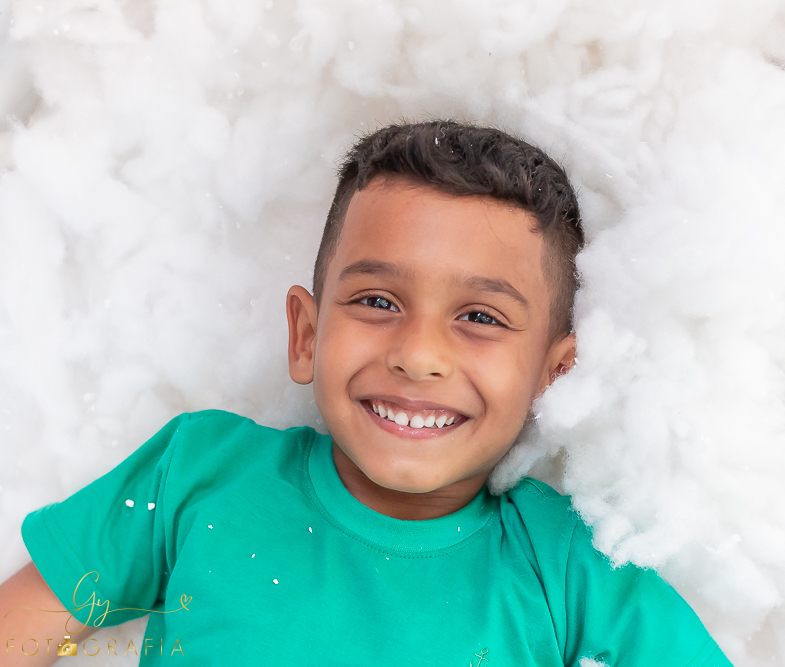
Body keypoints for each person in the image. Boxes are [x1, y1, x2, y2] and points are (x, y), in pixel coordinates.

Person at [0, 121, 731, 666]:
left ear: (553, 375)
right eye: (379, 301)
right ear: (306, 335)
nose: (417, 354)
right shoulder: (199, 472)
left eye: (479, 317)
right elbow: (23, 627)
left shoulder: (571, 562)